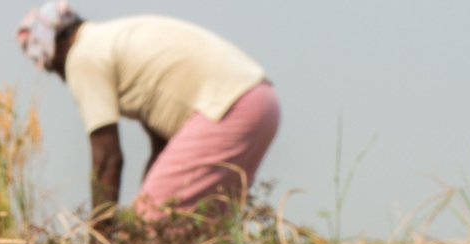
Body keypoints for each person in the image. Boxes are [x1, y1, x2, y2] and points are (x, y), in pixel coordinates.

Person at [17, 3, 279, 228]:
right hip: (260, 102)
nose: (62, 77)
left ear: (57, 48)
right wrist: (147, 193)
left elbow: (108, 159)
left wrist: (99, 243)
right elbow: (162, 149)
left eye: (54, 68)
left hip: (227, 107)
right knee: (200, 226)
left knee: (150, 225)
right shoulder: (114, 39)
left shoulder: (82, 56)